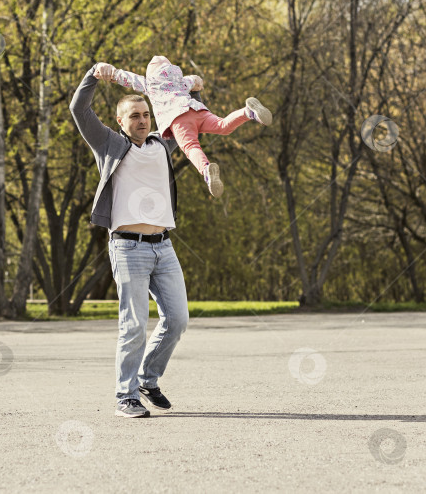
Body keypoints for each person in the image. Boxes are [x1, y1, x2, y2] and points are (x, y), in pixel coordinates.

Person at [69, 62, 206, 419]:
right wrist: (93, 77)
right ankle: (125, 396)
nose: (143, 120)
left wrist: (194, 89)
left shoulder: (163, 145)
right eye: (134, 116)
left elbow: (186, 115)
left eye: (146, 114)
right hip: (128, 247)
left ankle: (148, 379)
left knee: (177, 319)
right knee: (133, 325)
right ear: (121, 122)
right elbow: (78, 110)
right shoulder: (109, 144)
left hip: (164, 246)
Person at [99, 54, 273, 198]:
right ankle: (248, 112)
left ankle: (205, 169)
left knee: (191, 147)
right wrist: (198, 82)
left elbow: (128, 79)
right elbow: (195, 80)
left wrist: (112, 73)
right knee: (223, 125)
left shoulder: (150, 83)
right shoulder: (180, 81)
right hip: (196, 109)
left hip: (178, 118)